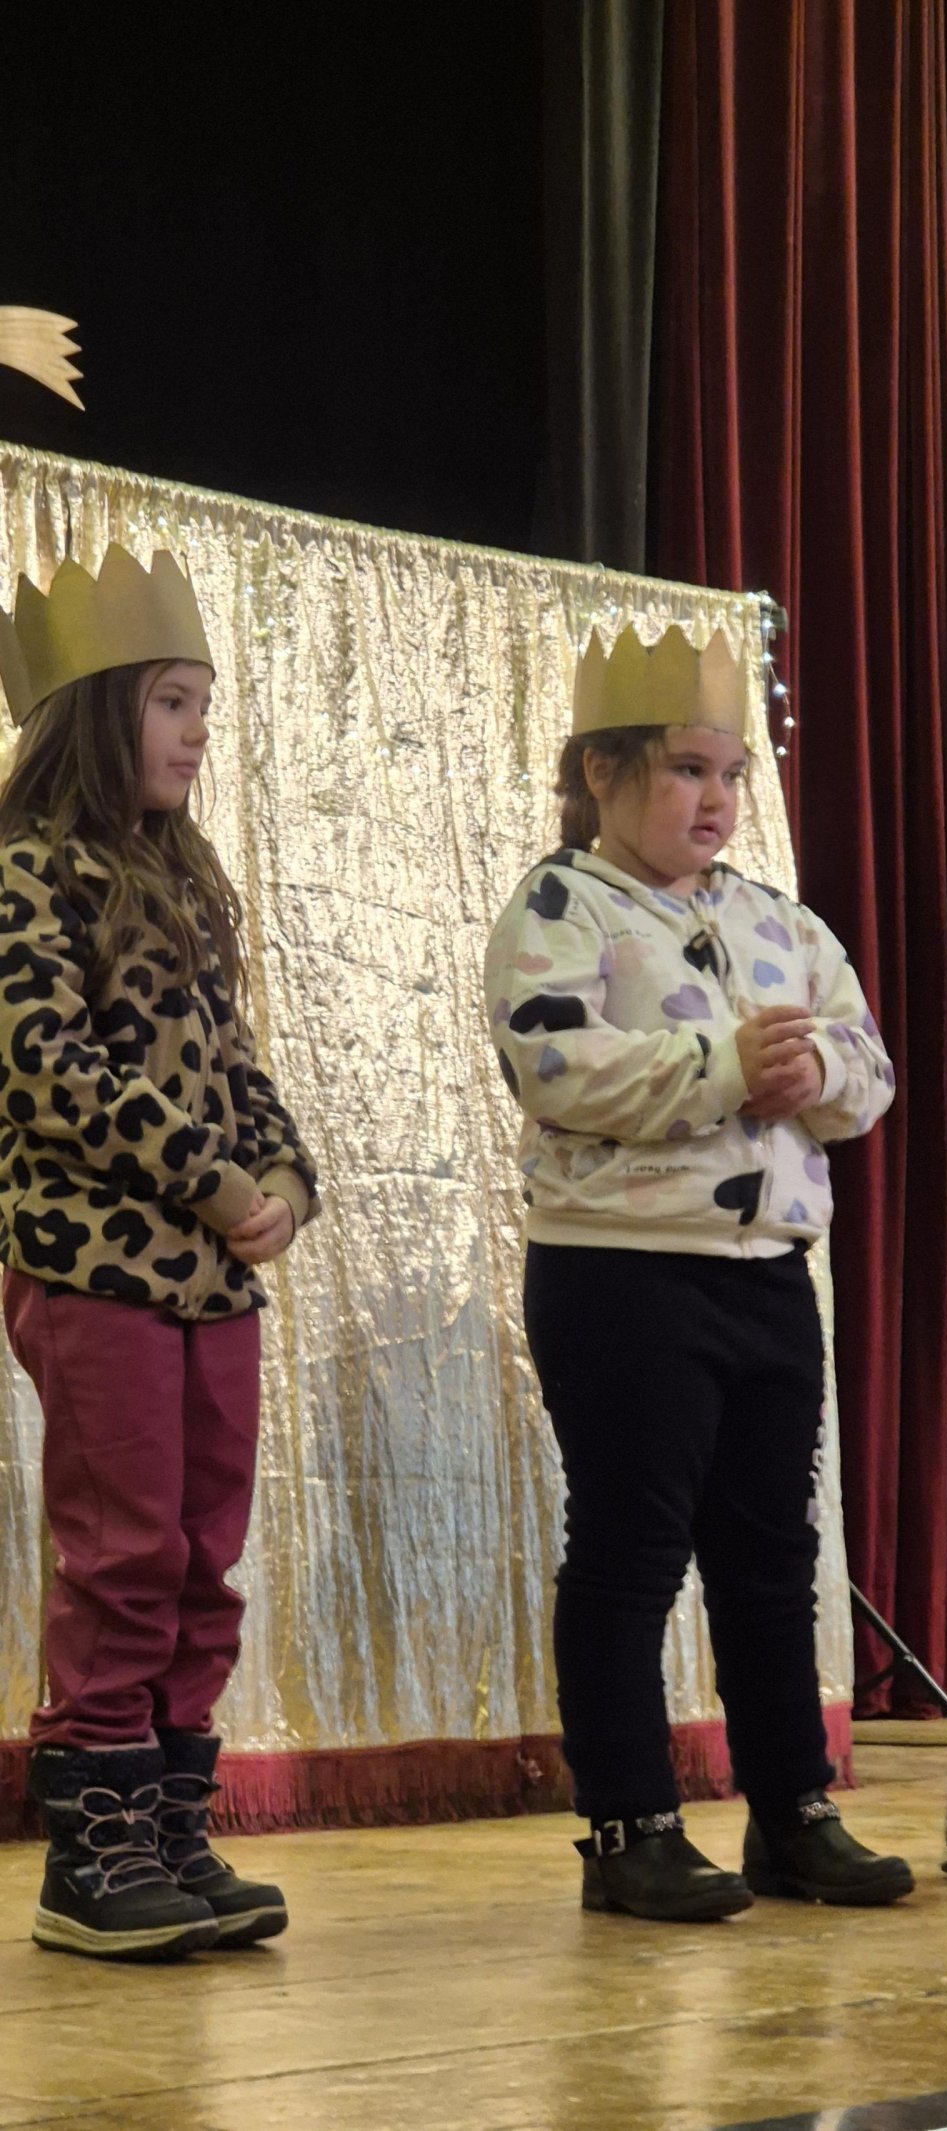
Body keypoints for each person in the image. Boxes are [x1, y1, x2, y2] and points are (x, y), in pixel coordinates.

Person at [484, 621, 912, 1921]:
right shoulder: (562, 908)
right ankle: (631, 1823)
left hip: (766, 1276)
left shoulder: (779, 920)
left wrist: (815, 1069)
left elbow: (868, 1068)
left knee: (771, 1553)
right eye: (685, 768)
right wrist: (727, 1066)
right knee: (631, 1549)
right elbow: (556, 1064)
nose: (717, 798)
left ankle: (793, 1812)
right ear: (602, 771)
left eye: (732, 772)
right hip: (622, 1276)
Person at [0, 544, 318, 1960]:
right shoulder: (24, 870)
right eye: (172, 703)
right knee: (123, 1549)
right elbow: (45, 1063)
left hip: (209, 1278)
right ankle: (95, 1850)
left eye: (206, 706)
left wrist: (285, 1178)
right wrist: (209, 1177)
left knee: (202, 1553)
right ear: (95, 707)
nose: (196, 733)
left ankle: (174, 1822)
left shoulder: (182, 878)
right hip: (94, 1265)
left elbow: (236, 1062)